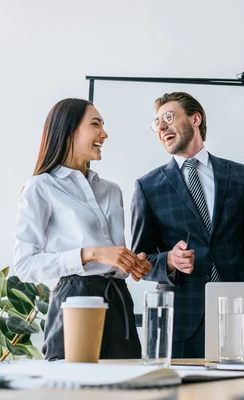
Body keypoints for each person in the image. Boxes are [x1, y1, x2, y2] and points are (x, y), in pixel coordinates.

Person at [14, 98, 151, 360]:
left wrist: (130, 263)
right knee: (72, 387)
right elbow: (25, 265)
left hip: (118, 298)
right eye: (96, 124)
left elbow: (111, 254)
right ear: (69, 131)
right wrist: (92, 253)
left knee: (127, 387)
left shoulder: (111, 190)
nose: (104, 134)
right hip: (74, 298)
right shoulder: (40, 187)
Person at [131, 92, 244, 358]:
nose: (162, 127)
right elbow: (139, 261)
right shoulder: (148, 186)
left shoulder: (239, 174)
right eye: (157, 123)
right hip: (180, 321)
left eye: (168, 117)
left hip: (239, 313)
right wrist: (169, 260)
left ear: (195, 118)